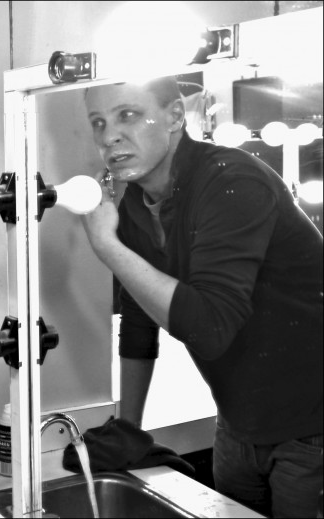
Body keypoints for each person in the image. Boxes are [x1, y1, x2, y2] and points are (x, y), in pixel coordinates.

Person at [80, 76, 322, 517]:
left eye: (127, 115)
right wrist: (128, 431)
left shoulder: (233, 181)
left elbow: (209, 327)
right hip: (236, 421)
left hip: (313, 428)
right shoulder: (134, 203)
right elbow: (138, 323)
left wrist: (108, 248)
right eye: (98, 122)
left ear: (174, 115)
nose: (109, 136)